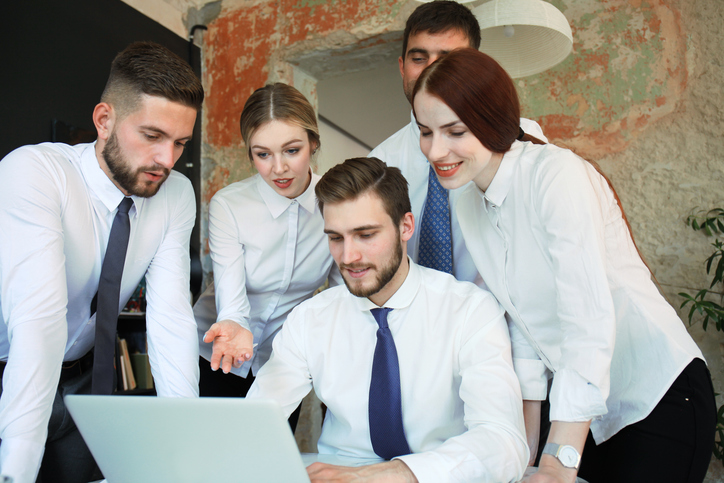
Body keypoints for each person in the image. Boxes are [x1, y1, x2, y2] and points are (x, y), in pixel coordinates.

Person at [412, 47, 716, 483]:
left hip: (658, 396)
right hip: (585, 412)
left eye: (454, 131)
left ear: (493, 122)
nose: (436, 150)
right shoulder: (467, 202)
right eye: (425, 132)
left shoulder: (556, 176)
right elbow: (522, 328)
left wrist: (558, 462)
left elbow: (587, 322)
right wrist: (527, 453)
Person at [246, 157, 529, 483]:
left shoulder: (469, 312)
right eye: (336, 238)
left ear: (405, 226)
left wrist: (396, 474)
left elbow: (503, 442)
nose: (348, 256)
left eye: (365, 234)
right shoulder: (310, 320)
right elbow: (255, 424)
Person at [0, 42, 204, 483]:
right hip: (10, 373)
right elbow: (38, 323)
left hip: (84, 385)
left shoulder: (175, 194)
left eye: (180, 143)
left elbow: (170, 320)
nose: (167, 161)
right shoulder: (34, 172)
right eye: (152, 136)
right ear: (104, 120)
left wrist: (184, 447)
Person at [369, 0, 546, 281]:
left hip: (508, 317)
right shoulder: (377, 165)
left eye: (448, 58)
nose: (432, 70)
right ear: (402, 67)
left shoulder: (523, 139)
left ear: (474, 66)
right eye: (419, 58)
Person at [193, 84, 341, 413]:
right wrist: (234, 325)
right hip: (219, 353)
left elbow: (340, 294)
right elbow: (231, 297)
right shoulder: (229, 205)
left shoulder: (335, 202)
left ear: (313, 143)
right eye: (263, 154)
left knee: (269, 456)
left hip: (282, 361)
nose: (278, 168)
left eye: (291, 150)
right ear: (251, 154)